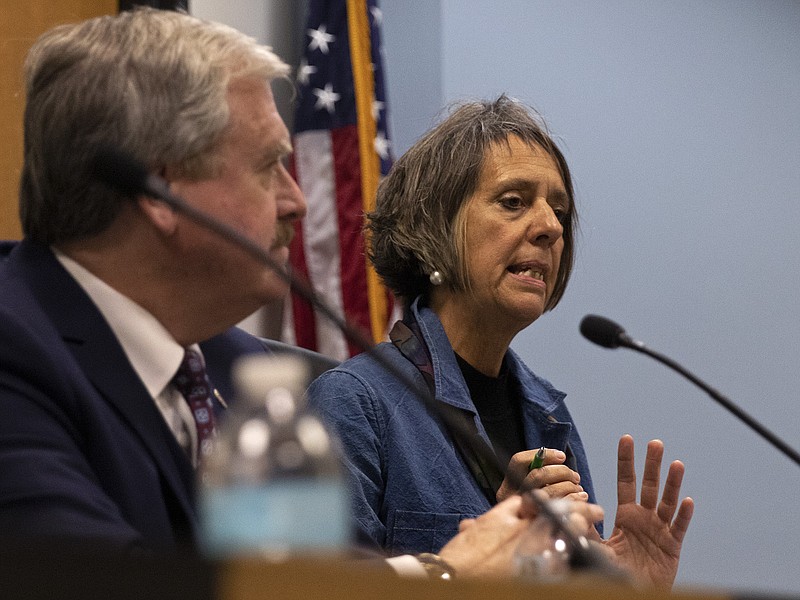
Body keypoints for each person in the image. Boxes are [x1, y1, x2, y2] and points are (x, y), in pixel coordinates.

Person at [0, 6, 605, 580]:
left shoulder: (242, 371)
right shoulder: (15, 351)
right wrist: (446, 571)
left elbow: (320, 574)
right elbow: (88, 579)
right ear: (162, 192)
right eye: (269, 167)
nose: (298, 201)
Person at [307, 96, 694, 587]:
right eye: (513, 202)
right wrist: (486, 558)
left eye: (559, 210)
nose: (552, 227)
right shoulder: (354, 404)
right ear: (435, 225)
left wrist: (625, 593)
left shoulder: (550, 418)